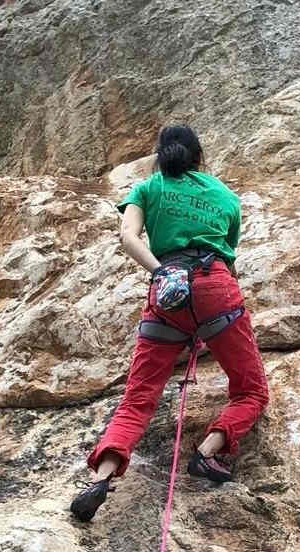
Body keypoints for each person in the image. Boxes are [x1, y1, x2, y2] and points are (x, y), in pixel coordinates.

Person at [70, 125, 270, 522]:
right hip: (215, 288)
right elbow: (227, 259)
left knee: (138, 398)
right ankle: (207, 452)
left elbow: (128, 237)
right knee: (251, 391)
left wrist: (162, 273)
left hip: (167, 294)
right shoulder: (225, 196)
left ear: (160, 156)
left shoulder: (148, 188)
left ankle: (101, 478)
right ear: (199, 156)